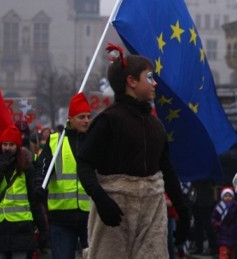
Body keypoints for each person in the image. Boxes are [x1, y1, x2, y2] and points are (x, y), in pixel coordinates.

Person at [76, 46, 190, 258]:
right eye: (149, 77)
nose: (155, 82)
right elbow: (84, 163)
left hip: (152, 211)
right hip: (116, 210)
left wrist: (183, 212)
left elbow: (167, 169)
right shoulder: (108, 120)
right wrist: (102, 200)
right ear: (131, 81)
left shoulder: (156, 125)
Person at [34, 92, 92, 259]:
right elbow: (42, 169)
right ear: (70, 119)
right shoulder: (54, 142)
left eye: (88, 116)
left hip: (91, 216)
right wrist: (39, 186)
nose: (86, 120)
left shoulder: (95, 141)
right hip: (61, 218)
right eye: (81, 117)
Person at [0, 125, 47, 258]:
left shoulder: (26, 168)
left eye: (11, 145)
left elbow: (33, 201)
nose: (7, 148)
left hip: (21, 230)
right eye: (5, 144)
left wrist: (43, 228)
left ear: (18, 147)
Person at [211, 187, 237, 259]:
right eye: (226, 196)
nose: (228, 198)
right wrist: (216, 224)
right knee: (223, 252)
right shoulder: (219, 207)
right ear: (222, 197)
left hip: (233, 233)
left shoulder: (236, 206)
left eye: (229, 196)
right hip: (222, 232)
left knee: (232, 253)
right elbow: (214, 218)